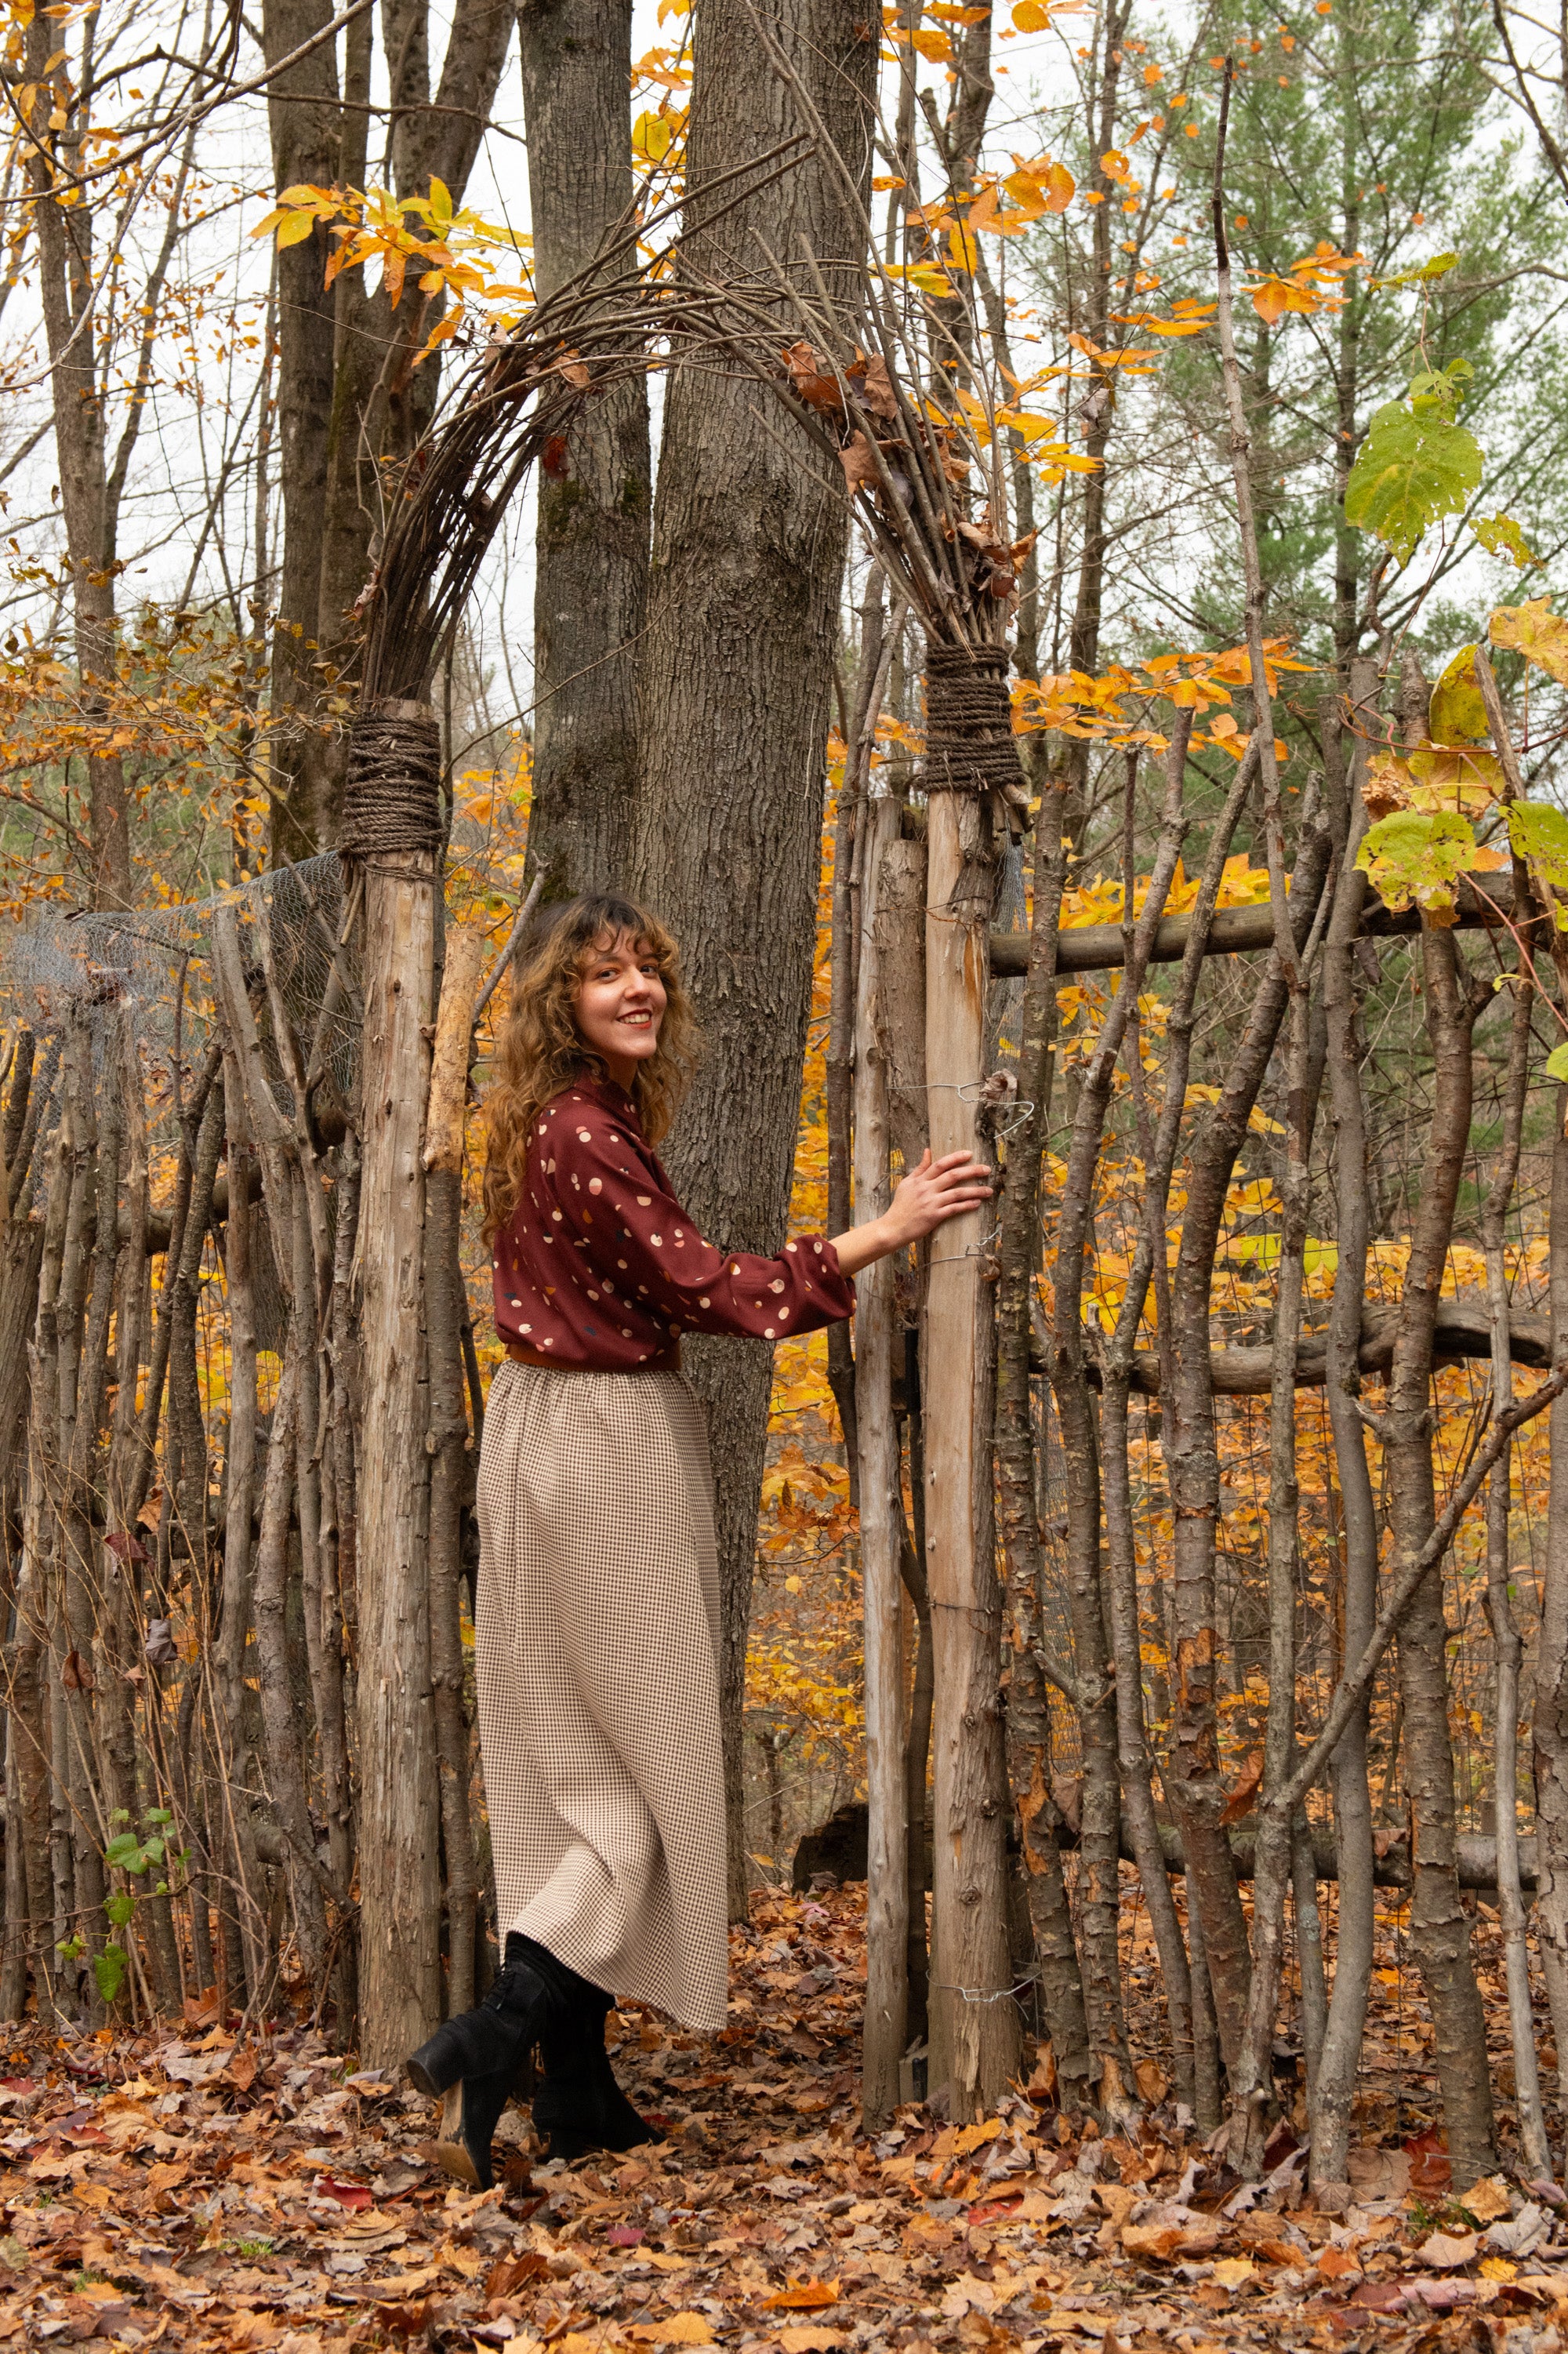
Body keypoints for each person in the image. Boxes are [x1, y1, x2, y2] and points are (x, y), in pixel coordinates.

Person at [406, 892, 992, 2185]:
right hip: (609, 1445)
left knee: (569, 1757)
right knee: (655, 1766)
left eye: (649, 971)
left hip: (536, 1433)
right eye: (606, 974)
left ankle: (578, 2095)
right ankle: (498, 2030)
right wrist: (879, 1234)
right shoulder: (583, 1132)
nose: (638, 990)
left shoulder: (548, 1122)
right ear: (560, 1000)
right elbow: (701, 1287)